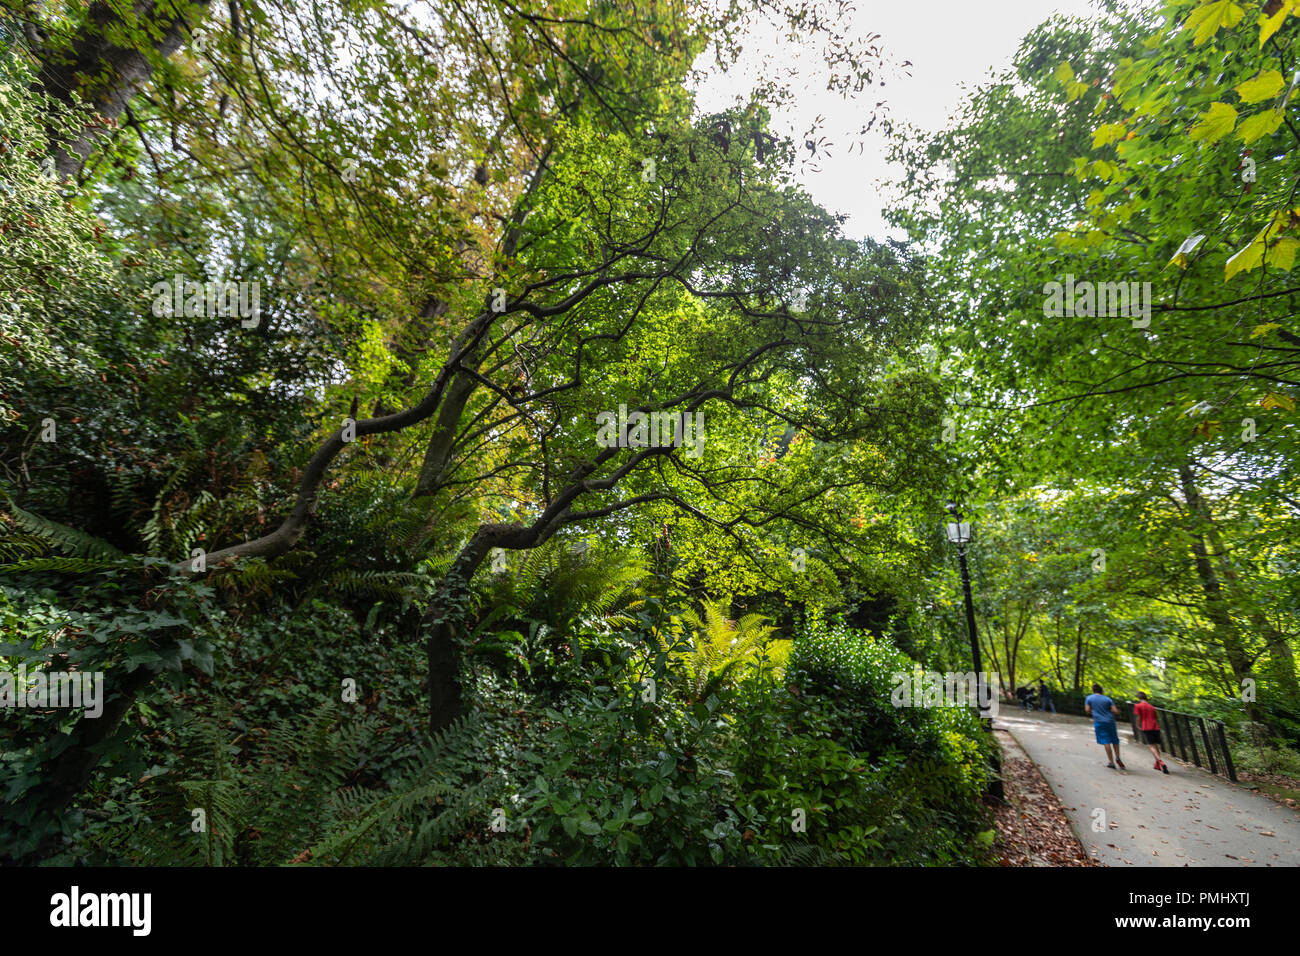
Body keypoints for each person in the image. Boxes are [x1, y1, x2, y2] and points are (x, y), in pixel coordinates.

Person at [1084, 682, 1125, 769]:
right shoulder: (1107, 699)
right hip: (1110, 721)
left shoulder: (1089, 698)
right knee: (1114, 739)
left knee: (1106, 741)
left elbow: (1087, 710)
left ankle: (1111, 762)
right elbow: (1115, 711)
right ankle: (1118, 757)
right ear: (1101, 690)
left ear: (1093, 690)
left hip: (1099, 722)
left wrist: (1094, 712)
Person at [1133, 691, 1169, 773]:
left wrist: (1138, 725)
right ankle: (1157, 764)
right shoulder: (1152, 707)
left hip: (1146, 727)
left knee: (1152, 746)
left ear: (1139, 698)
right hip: (1155, 727)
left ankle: (1161, 762)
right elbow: (1156, 717)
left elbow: (1139, 717)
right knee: (1156, 746)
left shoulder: (1138, 705)